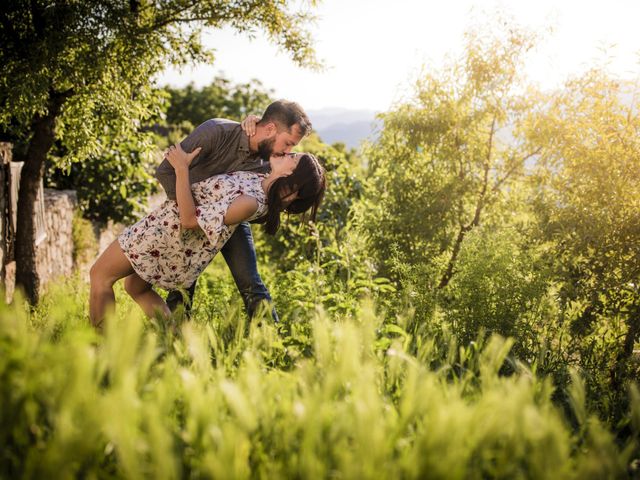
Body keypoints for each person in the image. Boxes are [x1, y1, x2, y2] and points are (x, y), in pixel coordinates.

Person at [89, 143, 325, 329]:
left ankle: (102, 351)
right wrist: (250, 123)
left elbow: (190, 220)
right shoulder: (259, 180)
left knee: (100, 276)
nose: (288, 153)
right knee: (136, 288)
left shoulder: (251, 203)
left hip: (163, 236)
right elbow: (247, 145)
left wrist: (181, 169)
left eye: (293, 158)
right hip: (163, 228)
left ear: (292, 187)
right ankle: (174, 343)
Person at [156, 100, 312, 321]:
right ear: (270, 129)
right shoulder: (216, 132)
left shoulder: (272, 162)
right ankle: (176, 343)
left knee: (250, 283)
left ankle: (273, 344)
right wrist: (195, 212)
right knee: (182, 284)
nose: (288, 152)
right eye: (287, 144)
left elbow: (264, 205)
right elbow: (165, 172)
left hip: (231, 223)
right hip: (188, 215)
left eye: (292, 148)